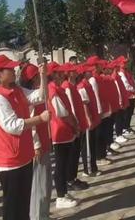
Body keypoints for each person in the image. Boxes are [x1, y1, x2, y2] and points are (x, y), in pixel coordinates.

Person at [0, 55, 50, 220]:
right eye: (10, 68)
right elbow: (13, 126)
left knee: (23, 205)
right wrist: (40, 119)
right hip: (9, 161)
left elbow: (40, 96)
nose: (15, 70)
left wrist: (43, 76)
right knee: (13, 207)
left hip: (23, 156)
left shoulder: (17, 90)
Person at [19, 63, 52, 220]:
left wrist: (43, 75)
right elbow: (31, 126)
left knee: (45, 184)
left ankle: (43, 215)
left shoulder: (30, 93)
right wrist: (36, 145)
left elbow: (43, 94)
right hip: (36, 146)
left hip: (44, 142)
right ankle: (38, 216)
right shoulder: (26, 97)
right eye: (36, 77)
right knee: (39, 186)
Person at [47, 62, 80, 209]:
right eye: (59, 73)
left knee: (64, 163)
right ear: (53, 74)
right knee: (60, 166)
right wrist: (73, 124)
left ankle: (64, 192)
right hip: (60, 132)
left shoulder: (57, 88)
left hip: (65, 131)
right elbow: (61, 113)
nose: (62, 75)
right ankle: (60, 196)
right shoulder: (52, 90)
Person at [61, 64, 89, 191]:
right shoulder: (67, 87)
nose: (76, 72)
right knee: (72, 155)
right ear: (68, 73)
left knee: (75, 153)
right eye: (73, 70)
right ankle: (69, 179)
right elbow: (71, 108)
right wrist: (75, 125)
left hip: (79, 124)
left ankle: (73, 177)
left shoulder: (72, 86)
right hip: (74, 126)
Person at [76, 64, 101, 177]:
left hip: (93, 119)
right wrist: (88, 119)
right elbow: (84, 105)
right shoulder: (81, 87)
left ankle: (93, 167)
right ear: (83, 74)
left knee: (92, 144)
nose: (91, 73)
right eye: (89, 71)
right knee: (87, 146)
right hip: (87, 122)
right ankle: (88, 169)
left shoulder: (87, 84)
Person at [117, 57, 135, 136]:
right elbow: (126, 85)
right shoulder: (121, 73)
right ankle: (125, 128)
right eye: (124, 63)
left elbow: (132, 80)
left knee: (130, 112)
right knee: (127, 113)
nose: (126, 64)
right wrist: (133, 89)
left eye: (126, 63)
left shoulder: (127, 72)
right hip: (126, 95)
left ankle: (128, 126)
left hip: (131, 95)